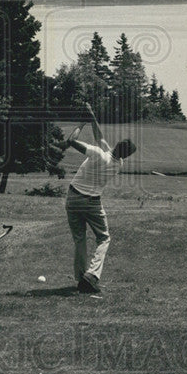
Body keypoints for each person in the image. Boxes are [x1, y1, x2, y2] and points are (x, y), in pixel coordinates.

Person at [52, 102, 136, 295]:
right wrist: (92, 117)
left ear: (116, 145)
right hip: (93, 203)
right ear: (126, 155)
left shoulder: (98, 154)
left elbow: (72, 141)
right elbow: (100, 137)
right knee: (104, 238)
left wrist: (82, 124)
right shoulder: (118, 164)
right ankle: (91, 276)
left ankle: (82, 278)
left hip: (73, 199)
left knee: (80, 239)